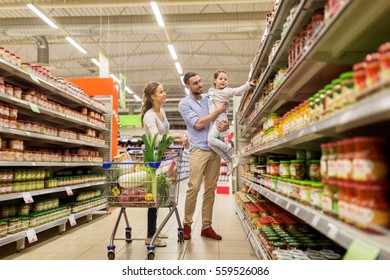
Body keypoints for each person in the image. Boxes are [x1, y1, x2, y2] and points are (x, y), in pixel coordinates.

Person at [178, 72, 229, 241]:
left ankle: (206, 226)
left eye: (200, 81)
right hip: (198, 149)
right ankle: (187, 224)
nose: (199, 85)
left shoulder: (210, 97)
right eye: (195, 83)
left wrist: (224, 124)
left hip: (214, 149)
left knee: (210, 189)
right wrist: (218, 112)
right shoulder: (184, 104)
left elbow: (221, 118)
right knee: (193, 188)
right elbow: (199, 124)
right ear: (187, 86)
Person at [141, 81, 189, 247]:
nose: (164, 94)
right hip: (152, 159)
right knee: (153, 196)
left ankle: (153, 230)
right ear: (153, 96)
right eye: (161, 92)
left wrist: (174, 140)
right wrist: (176, 136)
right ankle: (149, 235)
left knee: (159, 194)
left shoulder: (161, 111)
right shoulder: (149, 115)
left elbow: (165, 134)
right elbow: (155, 138)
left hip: (161, 157)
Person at [207, 70, 256, 175]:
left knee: (211, 139)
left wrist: (248, 85)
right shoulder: (211, 91)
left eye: (225, 79)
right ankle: (228, 160)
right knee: (210, 143)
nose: (223, 81)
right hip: (213, 118)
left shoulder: (226, 91)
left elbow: (237, 90)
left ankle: (232, 152)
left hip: (220, 117)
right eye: (220, 79)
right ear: (214, 81)